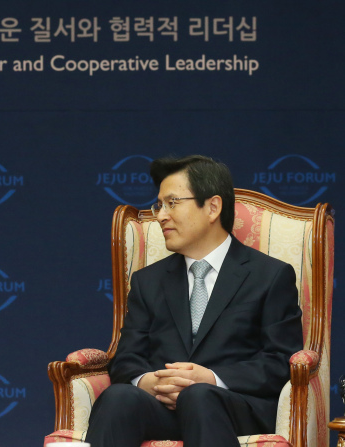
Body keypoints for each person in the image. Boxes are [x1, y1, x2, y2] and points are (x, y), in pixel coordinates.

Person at [85, 155, 303, 447]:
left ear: (212, 207)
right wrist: (149, 382)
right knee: (118, 397)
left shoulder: (270, 276)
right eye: (159, 205)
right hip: (161, 407)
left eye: (172, 203)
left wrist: (211, 378)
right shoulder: (148, 281)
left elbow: (279, 361)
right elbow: (127, 359)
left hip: (232, 408)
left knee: (199, 395)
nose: (161, 215)